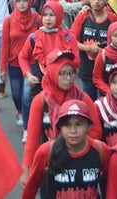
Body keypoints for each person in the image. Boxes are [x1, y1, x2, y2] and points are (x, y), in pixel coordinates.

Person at [20, 51, 102, 188]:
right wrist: (27, 169)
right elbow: (32, 139)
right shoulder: (40, 101)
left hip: (79, 163)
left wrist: (79, 148)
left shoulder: (82, 98)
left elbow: (95, 131)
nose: (68, 78)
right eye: (62, 73)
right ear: (52, 73)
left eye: (71, 73)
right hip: (50, 163)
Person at [22, 99, 109, 199]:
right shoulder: (46, 152)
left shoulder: (101, 150)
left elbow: (109, 186)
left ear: (89, 126)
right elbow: (31, 189)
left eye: (79, 124)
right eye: (67, 125)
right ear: (60, 127)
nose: (73, 131)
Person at [1, 0, 40, 138]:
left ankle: (27, 127)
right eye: (19, 1)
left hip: (32, 63)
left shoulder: (37, 19)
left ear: (29, 2)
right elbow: (5, 45)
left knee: (26, 95)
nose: (22, 3)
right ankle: (20, 112)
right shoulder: (9, 20)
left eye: (25, 0)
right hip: (14, 63)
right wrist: (3, 68)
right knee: (16, 95)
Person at [71, 0, 117, 100]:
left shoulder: (113, 19)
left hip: (107, 70)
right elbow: (71, 41)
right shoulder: (82, 16)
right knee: (89, 103)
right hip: (87, 70)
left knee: (107, 103)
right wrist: (88, 48)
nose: (96, 1)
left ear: (106, 0)